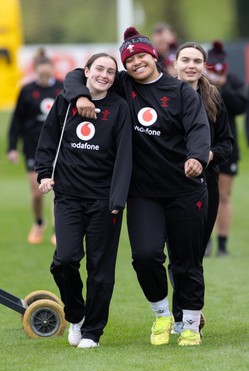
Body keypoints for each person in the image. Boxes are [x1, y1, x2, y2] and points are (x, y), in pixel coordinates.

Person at [62, 27, 211, 347]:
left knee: (186, 261)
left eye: (142, 55)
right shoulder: (122, 85)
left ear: (153, 56)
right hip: (143, 193)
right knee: (145, 256)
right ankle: (161, 315)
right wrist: (81, 95)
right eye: (129, 59)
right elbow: (75, 76)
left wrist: (197, 157)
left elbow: (198, 127)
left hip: (185, 190)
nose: (136, 62)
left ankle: (190, 322)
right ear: (125, 65)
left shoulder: (180, 90)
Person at [34, 53, 132, 349]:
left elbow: (125, 155)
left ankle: (92, 332)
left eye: (111, 72)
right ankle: (75, 315)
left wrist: (117, 198)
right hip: (68, 196)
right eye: (99, 69)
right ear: (86, 71)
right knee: (64, 261)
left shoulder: (120, 108)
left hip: (104, 201)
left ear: (115, 78)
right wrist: (43, 174)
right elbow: (49, 138)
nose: (104, 75)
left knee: (100, 270)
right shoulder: (67, 101)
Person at [170, 41, 234, 334]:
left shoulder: (214, 98)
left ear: (204, 65)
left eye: (197, 60)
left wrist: (207, 155)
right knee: (168, 253)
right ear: (175, 63)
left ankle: (187, 316)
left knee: (191, 254)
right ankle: (180, 313)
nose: (191, 65)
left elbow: (227, 144)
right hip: (164, 185)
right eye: (185, 59)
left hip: (203, 185)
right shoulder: (160, 95)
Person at [7, 50, 63, 245]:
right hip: (33, 146)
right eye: (41, 75)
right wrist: (12, 147)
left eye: (48, 74)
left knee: (58, 191)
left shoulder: (62, 88)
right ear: (36, 71)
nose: (44, 78)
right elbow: (17, 121)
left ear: (53, 71)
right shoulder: (27, 90)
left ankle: (58, 230)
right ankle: (39, 222)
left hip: (58, 147)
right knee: (37, 192)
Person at [204, 40, 247, 256]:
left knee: (224, 195)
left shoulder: (233, 81)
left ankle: (222, 245)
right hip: (201, 145)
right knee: (201, 195)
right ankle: (205, 241)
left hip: (226, 145)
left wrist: (223, 86)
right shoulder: (198, 83)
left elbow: (240, 107)